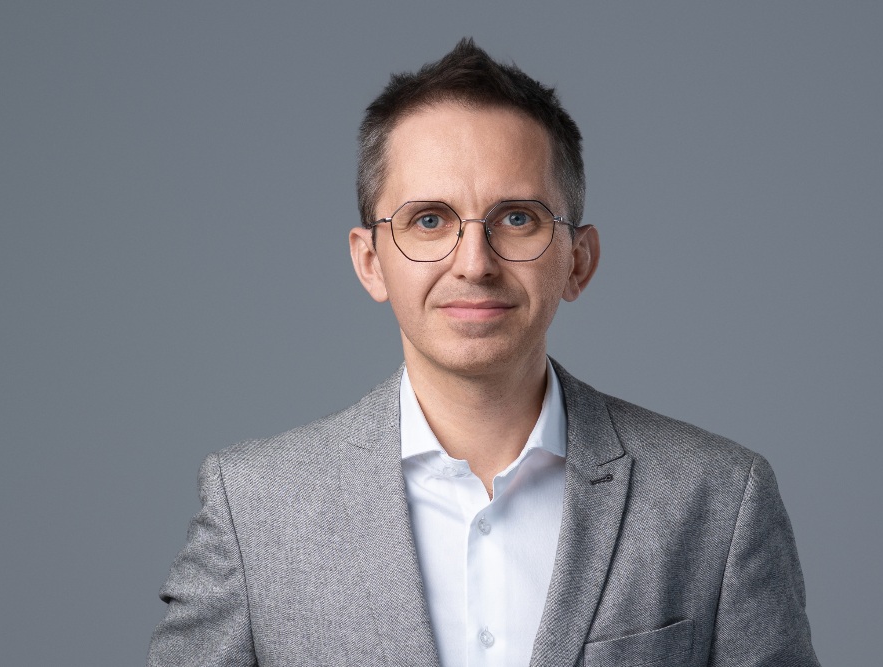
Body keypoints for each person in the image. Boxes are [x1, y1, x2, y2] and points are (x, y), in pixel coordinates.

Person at [148, 38, 819, 667]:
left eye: (517, 218)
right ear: (370, 261)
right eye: (429, 220)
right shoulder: (254, 507)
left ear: (578, 260)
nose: (474, 263)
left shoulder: (718, 499)